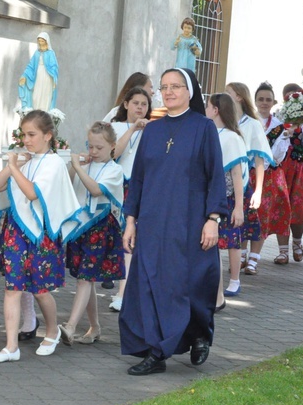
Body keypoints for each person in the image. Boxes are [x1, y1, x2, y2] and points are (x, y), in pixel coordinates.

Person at [119, 68, 227, 376]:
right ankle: (157, 352)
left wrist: (213, 219)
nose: (168, 92)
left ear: (189, 91)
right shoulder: (152, 131)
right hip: (153, 223)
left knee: (191, 284)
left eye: (175, 86)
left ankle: (199, 335)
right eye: (164, 87)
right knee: (152, 285)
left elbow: (214, 176)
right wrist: (130, 220)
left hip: (190, 221)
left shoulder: (203, 128)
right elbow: (138, 179)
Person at [0, 110, 80, 363]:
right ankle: (10, 347)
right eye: (23, 134)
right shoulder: (23, 159)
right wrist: (14, 166)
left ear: (48, 135)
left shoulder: (54, 163)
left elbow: (31, 194)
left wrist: (14, 166)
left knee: (40, 290)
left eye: (32, 135)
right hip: (16, 230)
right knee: (12, 288)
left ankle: (51, 332)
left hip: (41, 234)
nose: (26, 140)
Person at [60, 122, 125, 345]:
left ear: (112, 146)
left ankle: (70, 327)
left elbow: (96, 190)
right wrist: (73, 165)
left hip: (101, 228)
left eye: (99, 147)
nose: (94, 152)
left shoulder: (115, 170)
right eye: (91, 146)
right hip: (81, 228)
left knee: (85, 279)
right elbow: (66, 185)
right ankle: (95, 327)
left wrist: (79, 168)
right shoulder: (85, 165)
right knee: (84, 279)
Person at [107, 87, 153, 312]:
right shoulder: (114, 127)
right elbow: (114, 154)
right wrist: (133, 128)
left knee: (131, 239)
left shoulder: (153, 130)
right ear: (126, 104)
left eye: (144, 104)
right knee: (115, 237)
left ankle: (123, 291)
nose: (140, 108)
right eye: (136, 103)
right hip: (117, 187)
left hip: (141, 188)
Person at [225, 82, 274, 276]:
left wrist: (259, 190)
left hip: (246, 176)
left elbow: (259, 157)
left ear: (238, 96)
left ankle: (251, 258)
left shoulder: (252, 124)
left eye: (228, 93)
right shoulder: (225, 119)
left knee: (248, 219)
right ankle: (238, 257)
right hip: (225, 176)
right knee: (230, 220)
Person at [206, 93, 248, 303]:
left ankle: (234, 280)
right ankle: (213, 288)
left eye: (208, 107)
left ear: (216, 110)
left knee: (231, 240)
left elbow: (236, 173)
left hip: (227, 198)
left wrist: (238, 206)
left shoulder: (231, 137)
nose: (205, 111)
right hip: (209, 196)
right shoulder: (208, 132)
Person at [250, 82, 292, 266]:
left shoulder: (279, 125)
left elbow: (278, 155)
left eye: (268, 99)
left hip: (271, 175)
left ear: (273, 102)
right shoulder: (247, 122)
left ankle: (254, 258)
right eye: (261, 99)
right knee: (245, 211)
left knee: (264, 213)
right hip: (248, 172)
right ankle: (242, 254)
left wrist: (263, 162)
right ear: (255, 100)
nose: (264, 103)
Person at [277, 83, 303, 262]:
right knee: (282, 206)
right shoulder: (279, 117)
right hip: (282, 166)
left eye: (296, 95)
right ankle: (283, 250)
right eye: (289, 95)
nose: (292, 98)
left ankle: (297, 243)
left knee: (299, 206)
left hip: (300, 167)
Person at [19, 32, 59, 111]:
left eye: (42, 41)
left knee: (45, 95)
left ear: (46, 41)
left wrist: (54, 76)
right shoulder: (37, 53)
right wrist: (24, 76)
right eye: (39, 41)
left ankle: (44, 113)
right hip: (37, 76)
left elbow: (55, 67)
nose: (40, 43)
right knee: (36, 95)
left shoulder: (51, 53)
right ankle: (35, 112)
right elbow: (30, 66)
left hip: (48, 77)